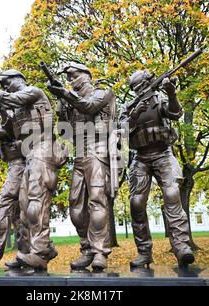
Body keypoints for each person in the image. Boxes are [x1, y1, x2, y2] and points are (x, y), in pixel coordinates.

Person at [0, 69, 67, 271]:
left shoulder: (34, 92)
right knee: (25, 209)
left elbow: (8, 98)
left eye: (7, 83)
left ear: (18, 79)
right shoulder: (16, 113)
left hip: (42, 149)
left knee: (36, 202)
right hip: (29, 156)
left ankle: (41, 251)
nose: (5, 87)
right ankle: (36, 250)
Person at [119, 70, 195, 268]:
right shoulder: (128, 107)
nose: (140, 90)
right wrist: (134, 115)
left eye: (142, 86)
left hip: (163, 153)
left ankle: (181, 247)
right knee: (136, 203)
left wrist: (172, 93)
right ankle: (144, 252)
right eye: (136, 88)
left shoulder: (160, 99)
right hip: (140, 157)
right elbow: (120, 132)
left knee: (172, 194)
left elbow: (176, 113)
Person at [47, 63, 116, 270]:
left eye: (73, 76)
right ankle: (86, 249)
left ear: (86, 75)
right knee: (75, 207)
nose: (70, 81)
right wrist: (61, 103)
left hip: (98, 150)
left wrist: (66, 94)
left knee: (97, 201)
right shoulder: (71, 100)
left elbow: (89, 107)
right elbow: (64, 132)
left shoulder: (103, 93)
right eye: (68, 78)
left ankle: (100, 252)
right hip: (79, 153)